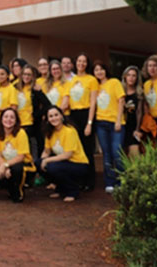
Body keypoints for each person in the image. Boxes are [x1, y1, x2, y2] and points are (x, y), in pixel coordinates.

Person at [36, 106, 89, 202]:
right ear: (47, 119)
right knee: (38, 163)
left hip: (78, 164)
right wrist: (41, 164)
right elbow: (46, 151)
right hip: (63, 163)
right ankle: (60, 189)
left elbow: (67, 155)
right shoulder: (49, 132)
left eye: (56, 115)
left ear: (62, 116)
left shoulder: (69, 131)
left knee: (53, 167)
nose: (54, 118)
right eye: (51, 116)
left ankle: (73, 191)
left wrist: (47, 160)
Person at [88, 61, 125, 193]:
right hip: (101, 124)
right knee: (106, 154)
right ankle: (110, 182)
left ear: (106, 70)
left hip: (115, 123)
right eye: (96, 70)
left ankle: (122, 181)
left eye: (101, 69)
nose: (99, 72)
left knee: (117, 153)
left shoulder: (114, 82)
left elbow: (121, 101)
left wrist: (118, 120)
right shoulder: (95, 86)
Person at [67, 53, 98, 190]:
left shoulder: (91, 80)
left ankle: (89, 181)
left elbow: (93, 103)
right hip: (73, 116)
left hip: (86, 114)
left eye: (84, 61)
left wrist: (89, 123)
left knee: (87, 149)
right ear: (75, 63)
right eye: (79, 61)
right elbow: (67, 101)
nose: (81, 63)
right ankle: (78, 179)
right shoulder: (71, 81)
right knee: (76, 149)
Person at [0, 108, 32, 203]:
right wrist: (4, 167)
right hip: (5, 165)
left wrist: (5, 166)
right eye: (6, 117)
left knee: (16, 169)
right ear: (1, 119)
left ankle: (18, 191)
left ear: (16, 120)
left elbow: (21, 156)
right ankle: (10, 188)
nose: (8, 120)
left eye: (12, 117)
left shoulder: (21, 133)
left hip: (22, 165)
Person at [14, 64, 51, 160]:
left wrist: (37, 114)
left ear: (33, 76)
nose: (26, 77)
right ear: (21, 75)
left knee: (33, 148)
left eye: (29, 75)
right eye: (24, 74)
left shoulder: (36, 89)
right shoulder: (14, 87)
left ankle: (34, 169)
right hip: (16, 123)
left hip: (31, 124)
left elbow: (48, 105)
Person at [123, 66, 143, 157]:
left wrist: (138, 129)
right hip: (121, 126)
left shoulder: (139, 93)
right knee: (121, 155)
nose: (131, 78)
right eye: (129, 75)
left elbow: (139, 112)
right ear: (125, 77)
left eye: (134, 76)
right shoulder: (120, 91)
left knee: (134, 155)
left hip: (133, 127)